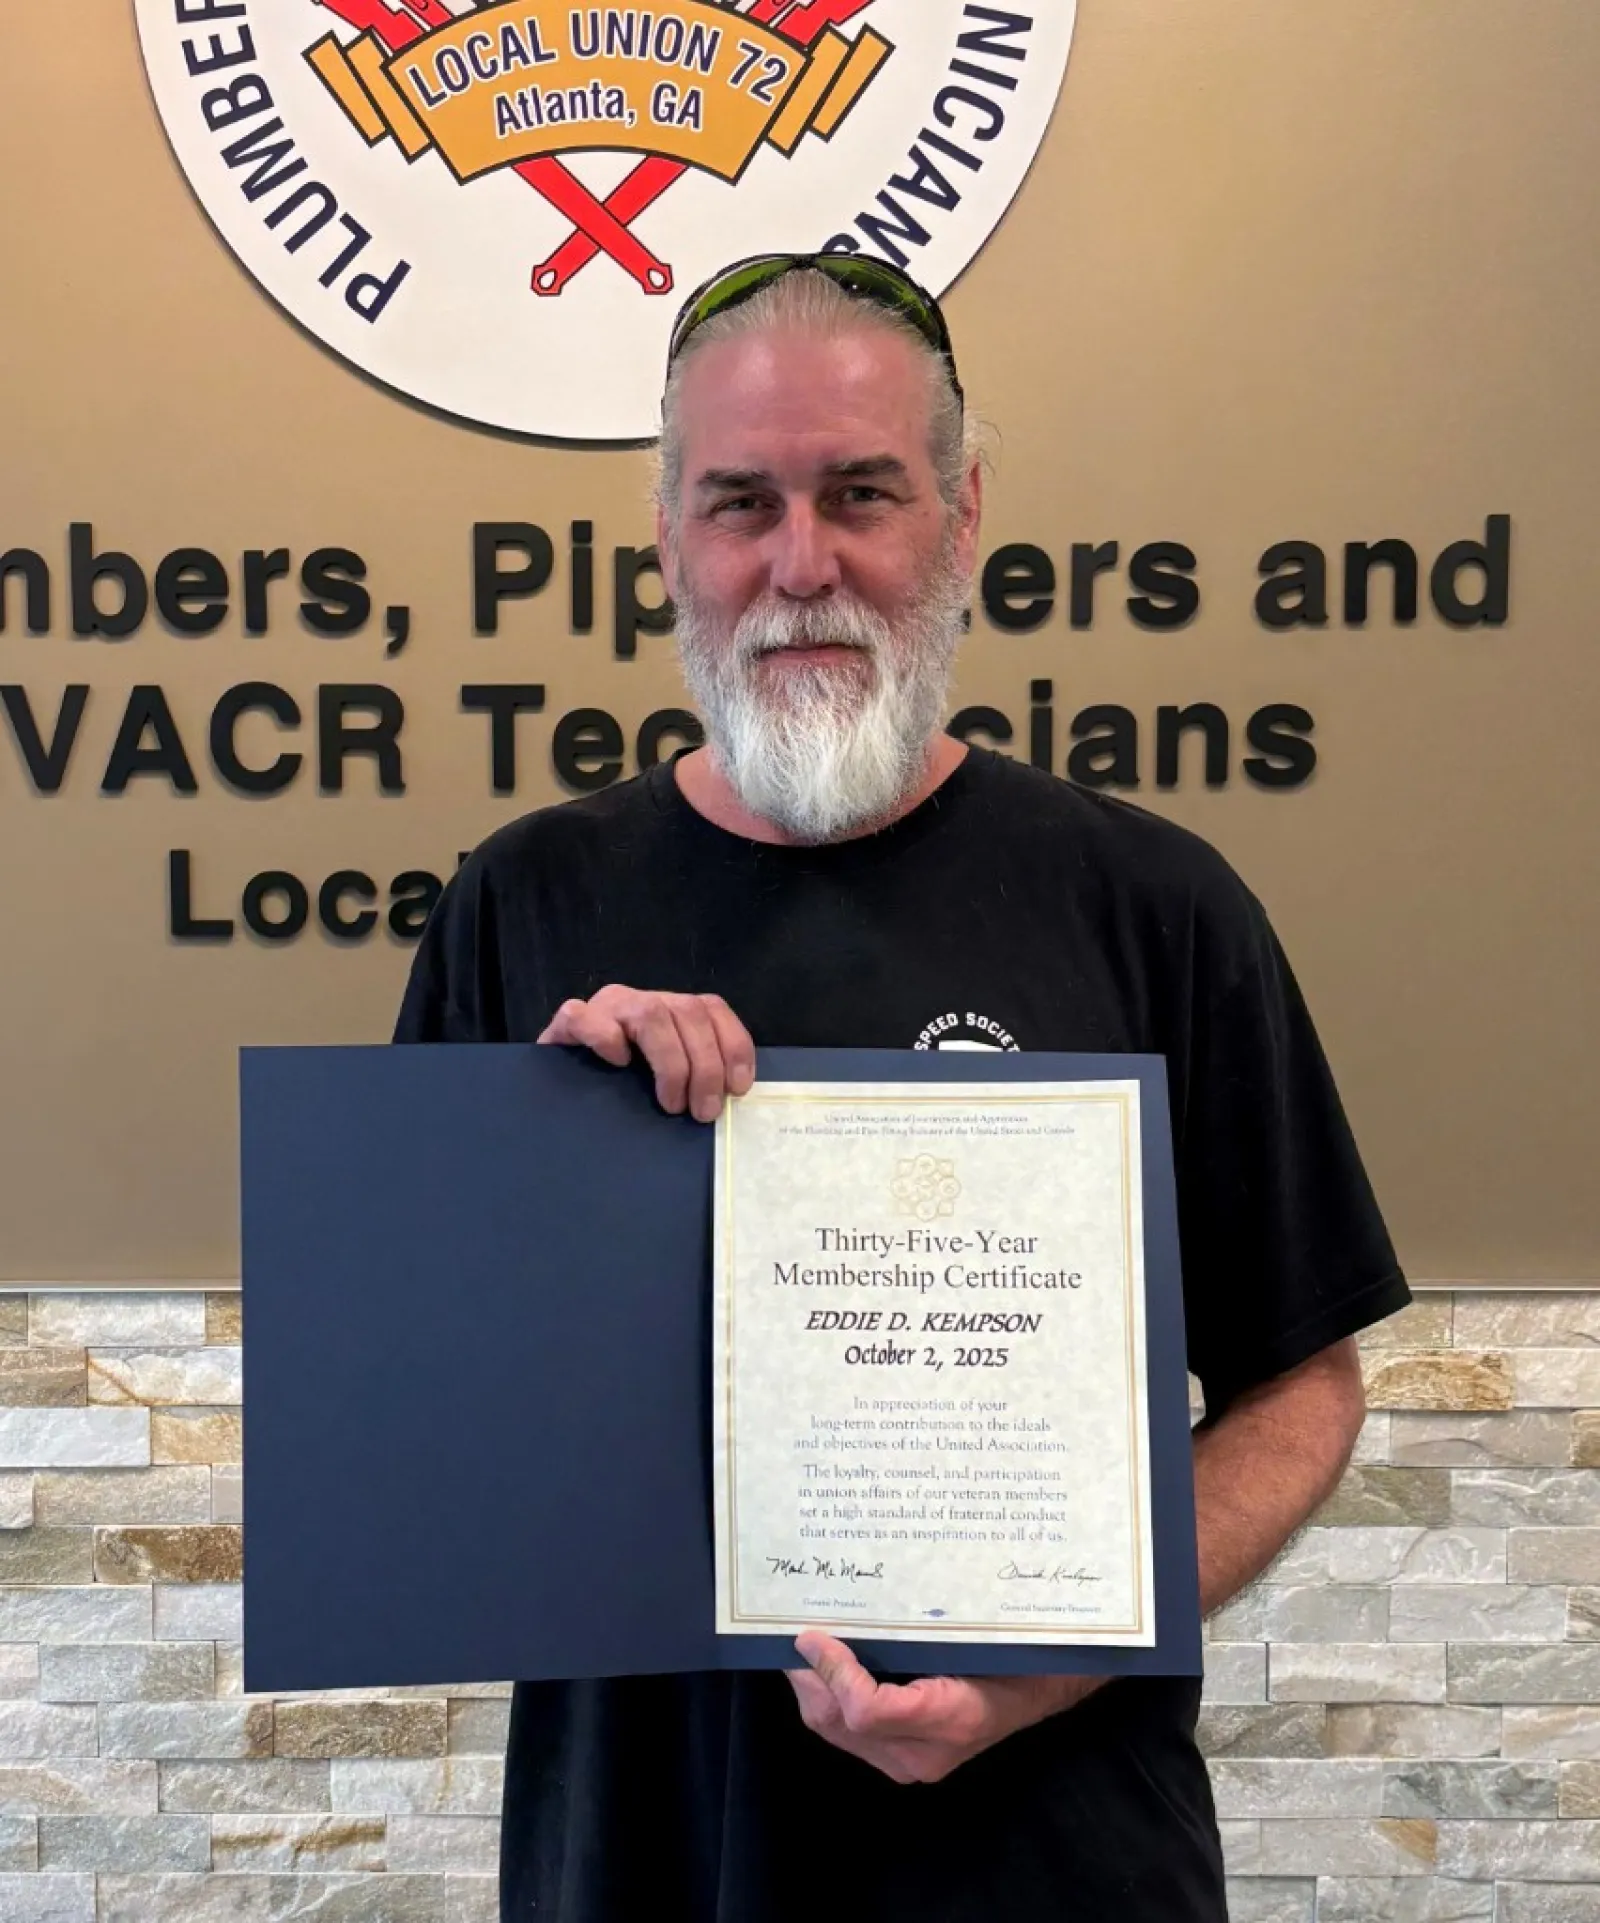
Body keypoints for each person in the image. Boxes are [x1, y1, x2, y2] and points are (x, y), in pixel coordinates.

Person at [396, 254, 1410, 1923]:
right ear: (666, 535)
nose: (802, 567)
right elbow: (427, 1434)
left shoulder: (1154, 907)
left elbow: (1302, 1388)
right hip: (642, 1867)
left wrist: (1050, 1669)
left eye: (862, 493)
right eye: (741, 504)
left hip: (1059, 1864)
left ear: (962, 513)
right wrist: (547, 1149)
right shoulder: (525, 911)